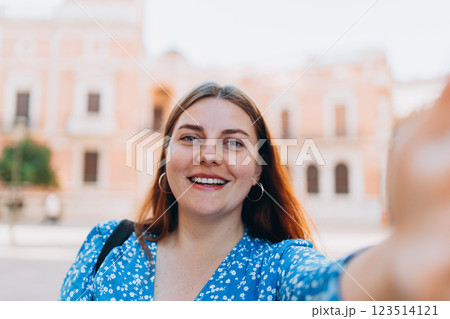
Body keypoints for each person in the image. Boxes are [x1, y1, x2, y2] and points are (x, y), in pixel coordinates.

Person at [59, 81, 450, 301]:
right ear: (165, 158)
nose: (209, 155)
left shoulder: (280, 267)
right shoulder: (106, 246)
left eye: (234, 143)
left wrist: (400, 262)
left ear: (258, 170)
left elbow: (331, 287)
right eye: (191, 137)